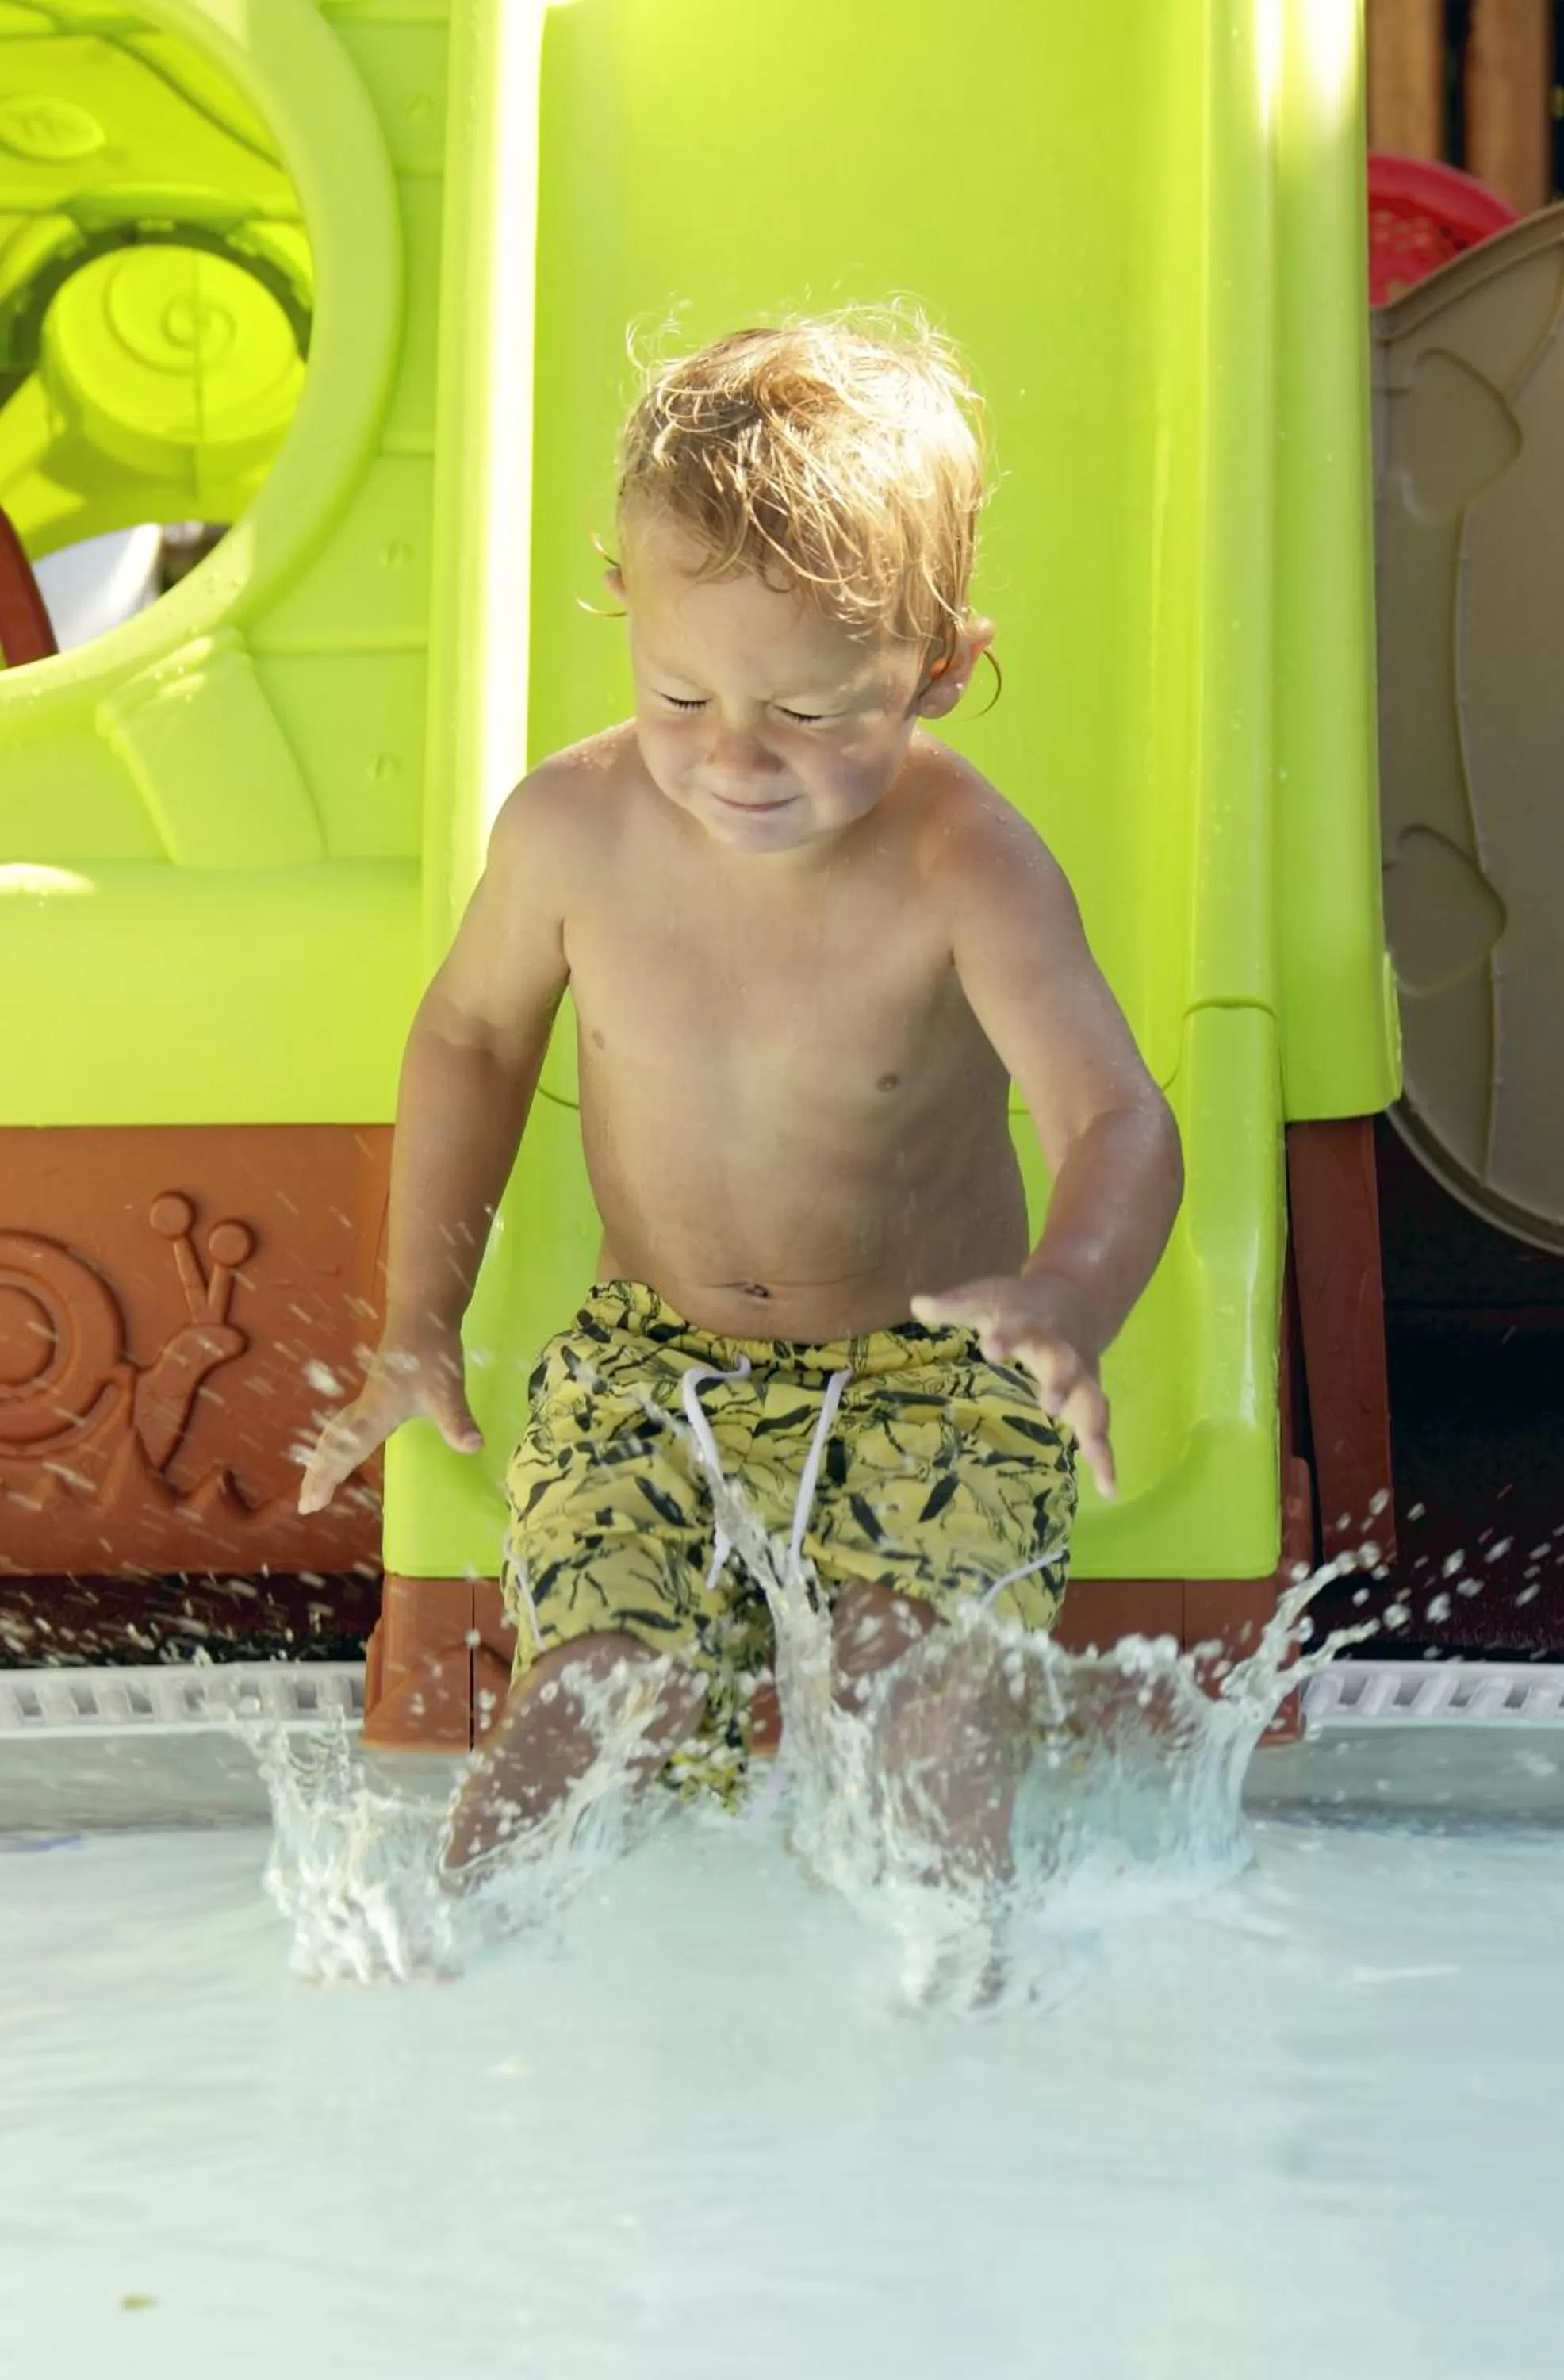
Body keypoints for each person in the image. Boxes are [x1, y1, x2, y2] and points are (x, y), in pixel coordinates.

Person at [297, 316, 1183, 1884]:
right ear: (625, 612)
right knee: (592, 1699)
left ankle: (961, 2013)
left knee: (918, 1704)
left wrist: (1069, 1291)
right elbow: (471, 1044)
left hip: (931, 1373)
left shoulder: (962, 866)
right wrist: (415, 1317)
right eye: (682, 698)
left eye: (813, 713)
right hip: (647, 1372)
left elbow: (1113, 1115)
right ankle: (447, 1999)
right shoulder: (570, 832)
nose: (737, 762)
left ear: (938, 670)